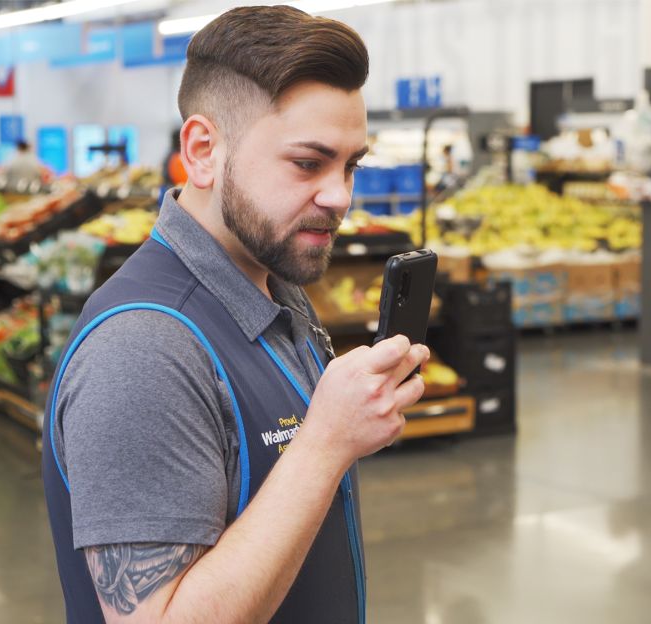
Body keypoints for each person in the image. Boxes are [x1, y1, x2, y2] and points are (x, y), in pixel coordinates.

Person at [42, 6, 430, 624]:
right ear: (202, 151)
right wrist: (326, 443)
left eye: (351, 165)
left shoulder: (272, 284)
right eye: (309, 163)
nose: (341, 197)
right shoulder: (143, 348)